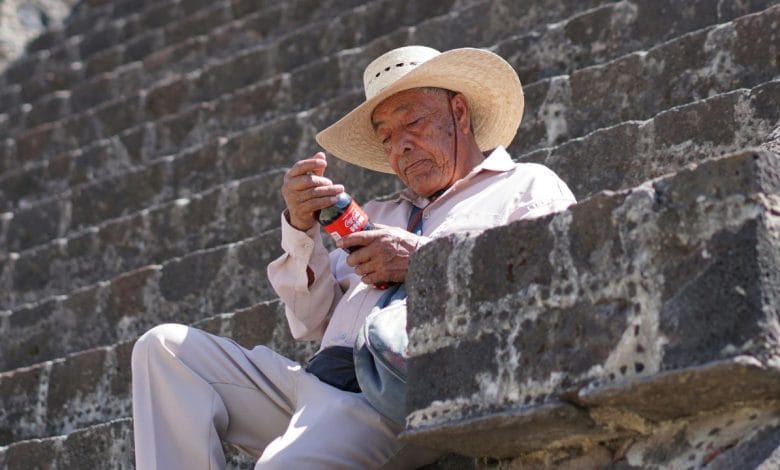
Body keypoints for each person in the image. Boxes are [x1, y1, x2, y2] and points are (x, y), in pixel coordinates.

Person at [130, 45, 576, 469]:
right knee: (164, 349)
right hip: (315, 387)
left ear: (459, 112)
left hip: (396, 390)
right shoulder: (379, 214)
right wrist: (301, 229)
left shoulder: (526, 186)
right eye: (386, 137)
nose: (399, 146)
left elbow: (551, 277)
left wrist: (423, 261)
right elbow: (308, 321)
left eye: (413, 123)